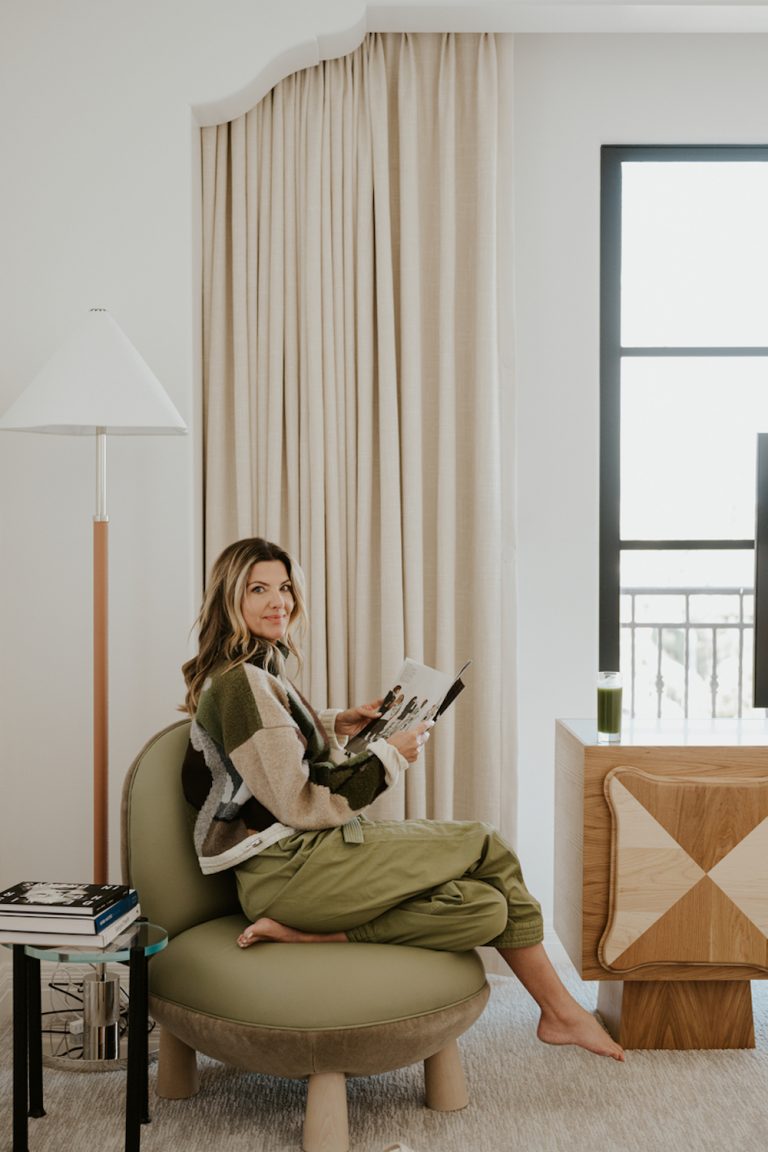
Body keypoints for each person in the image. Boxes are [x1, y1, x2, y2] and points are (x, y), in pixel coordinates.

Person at [181, 537, 624, 1062]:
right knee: (485, 841)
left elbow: (265, 760)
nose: (279, 601)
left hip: (297, 873)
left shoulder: (257, 675)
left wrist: (335, 724)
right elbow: (299, 804)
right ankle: (561, 1012)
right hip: (288, 869)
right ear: (230, 599)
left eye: (285, 587)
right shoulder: (242, 685)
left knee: (485, 907)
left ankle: (317, 938)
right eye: (259, 589)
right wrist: (388, 755)